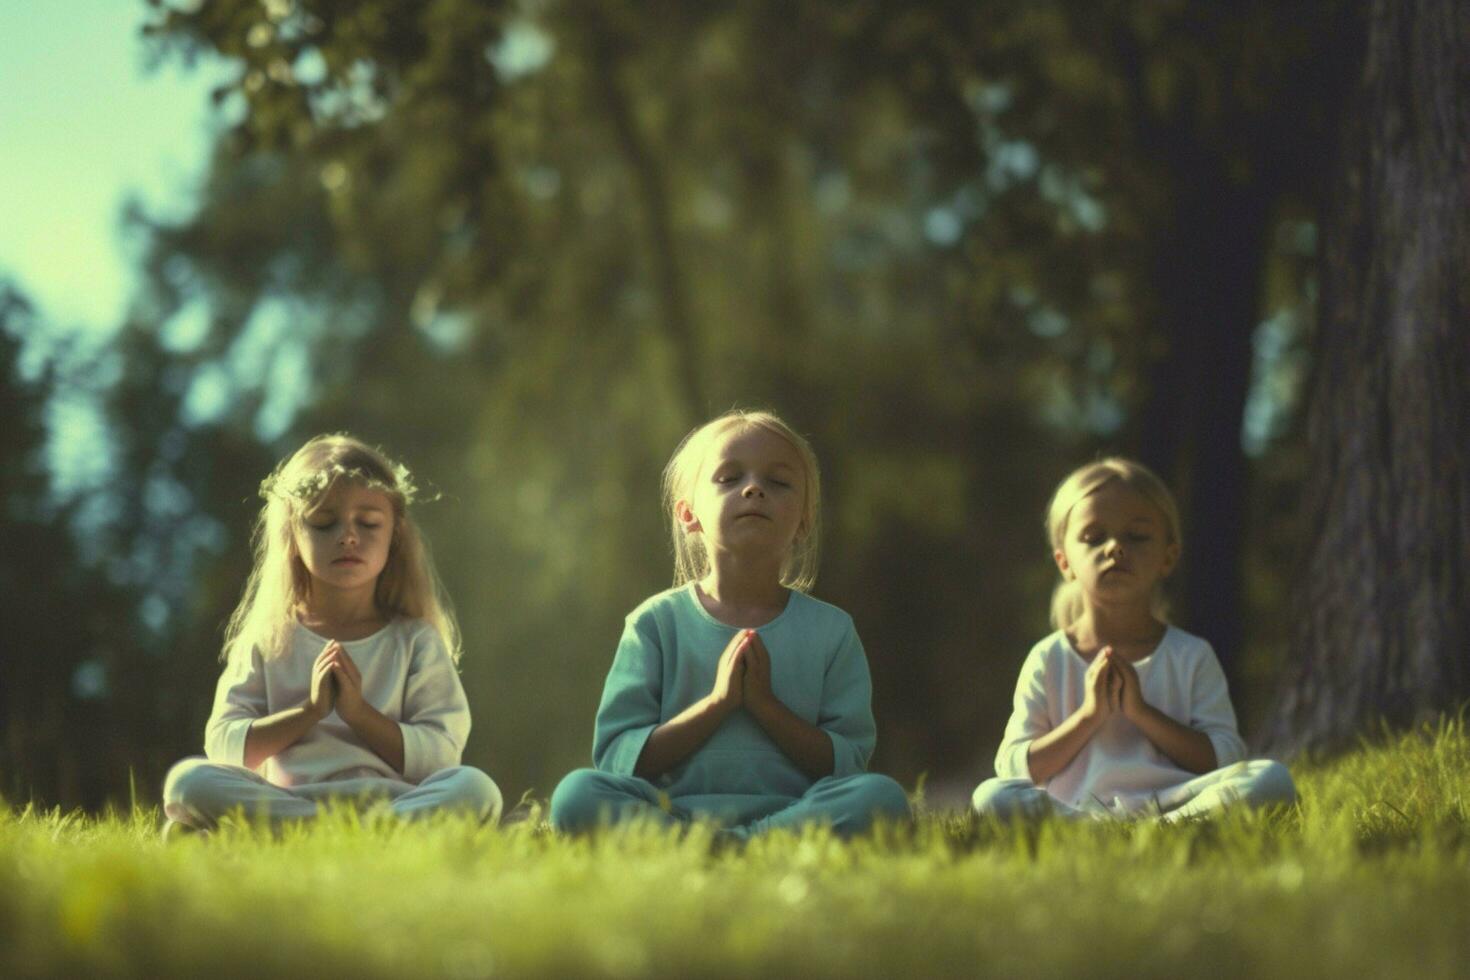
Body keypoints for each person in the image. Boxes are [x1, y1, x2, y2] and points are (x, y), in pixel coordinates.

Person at [550, 409, 910, 838]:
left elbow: (847, 762)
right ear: (688, 515)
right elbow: (617, 759)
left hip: (796, 813)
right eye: (729, 478)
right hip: (670, 813)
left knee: (881, 798)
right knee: (576, 794)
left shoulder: (831, 632)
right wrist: (718, 704)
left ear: (804, 520)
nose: (754, 489)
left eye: (778, 482)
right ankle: (720, 843)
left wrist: (765, 706)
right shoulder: (654, 624)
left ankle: (726, 845)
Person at [162, 434, 500, 834]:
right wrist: (310, 712)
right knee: (187, 782)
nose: (348, 536)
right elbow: (224, 745)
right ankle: (354, 836)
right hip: (290, 799)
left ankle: (273, 837)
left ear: (394, 536)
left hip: (392, 802)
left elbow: (442, 755)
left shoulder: (415, 641)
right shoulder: (270, 639)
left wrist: (359, 715)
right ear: (292, 537)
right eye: (324, 523)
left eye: (369, 522)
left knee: (475, 788)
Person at [972, 457, 1295, 822]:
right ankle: (1098, 832)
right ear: (1065, 563)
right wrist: (1090, 716)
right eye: (1094, 538)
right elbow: (1015, 768)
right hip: (1079, 810)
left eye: (1137, 536)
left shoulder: (1192, 655)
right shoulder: (1048, 658)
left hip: (1177, 803)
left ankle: (1167, 828)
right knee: (991, 795)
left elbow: (1225, 757)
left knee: (1270, 778)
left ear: (1168, 556)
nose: (1115, 548)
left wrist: (1140, 713)